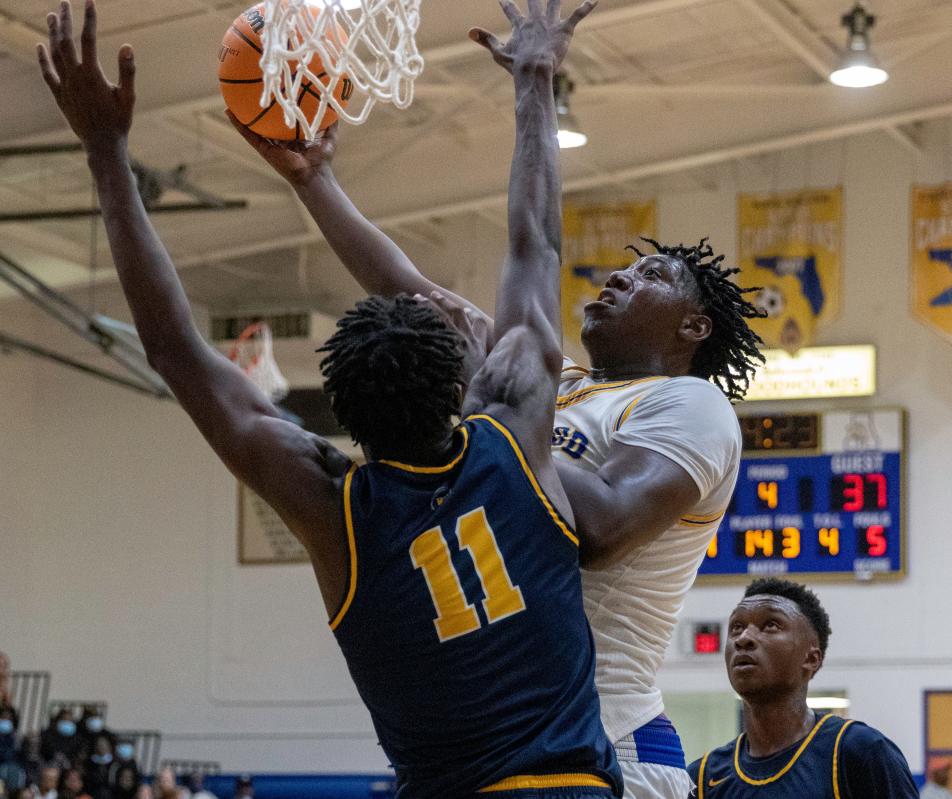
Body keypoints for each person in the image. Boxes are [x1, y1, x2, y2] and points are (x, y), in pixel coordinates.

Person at [37, 0, 621, 797]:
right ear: (463, 383)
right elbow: (535, 243)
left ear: (340, 414)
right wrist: (535, 76)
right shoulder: (514, 428)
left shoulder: (333, 505)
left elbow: (174, 351)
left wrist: (106, 152)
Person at [230, 7, 765, 799]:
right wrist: (317, 182)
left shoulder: (690, 407)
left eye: (650, 277)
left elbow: (605, 527)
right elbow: (416, 294)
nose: (618, 277)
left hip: (613, 741)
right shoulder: (558, 389)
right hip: (508, 743)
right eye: (622, 269)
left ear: (695, 325)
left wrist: (514, 420)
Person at [687, 578, 918, 798]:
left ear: (811, 659)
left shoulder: (860, 753)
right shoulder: (702, 777)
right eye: (736, 627)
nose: (743, 638)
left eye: (770, 625)